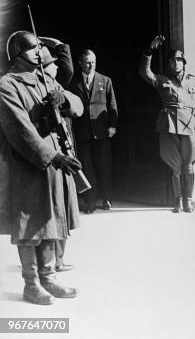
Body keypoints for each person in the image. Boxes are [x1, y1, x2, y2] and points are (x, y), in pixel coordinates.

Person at [0, 30, 83, 304]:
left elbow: (79, 106)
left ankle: (48, 277)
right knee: (28, 224)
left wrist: (64, 100)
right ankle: (31, 283)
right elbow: (19, 130)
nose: (38, 52)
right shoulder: (7, 85)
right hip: (27, 164)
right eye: (31, 48)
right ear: (16, 53)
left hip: (51, 163)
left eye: (39, 47)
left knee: (49, 218)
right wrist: (54, 157)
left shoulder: (44, 79)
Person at [139, 36, 195, 213]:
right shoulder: (162, 80)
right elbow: (144, 72)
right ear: (169, 64)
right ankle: (178, 201)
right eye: (172, 60)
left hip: (189, 125)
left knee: (188, 163)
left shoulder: (194, 80)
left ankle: (189, 200)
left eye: (179, 60)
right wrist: (150, 50)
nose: (175, 63)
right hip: (169, 125)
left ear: (184, 63)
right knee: (174, 164)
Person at [38, 36, 77, 272]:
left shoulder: (56, 84)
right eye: (53, 63)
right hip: (51, 154)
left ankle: (60, 260)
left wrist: (57, 43)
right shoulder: (38, 87)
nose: (57, 66)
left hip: (65, 149)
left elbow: (67, 68)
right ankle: (51, 262)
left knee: (66, 208)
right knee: (54, 209)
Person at [68, 49, 117, 213]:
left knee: (104, 165)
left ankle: (106, 198)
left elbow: (112, 105)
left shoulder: (105, 80)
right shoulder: (73, 82)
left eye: (93, 62)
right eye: (87, 62)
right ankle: (90, 202)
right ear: (80, 63)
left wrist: (112, 126)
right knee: (87, 167)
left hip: (102, 130)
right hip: (82, 131)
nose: (91, 65)